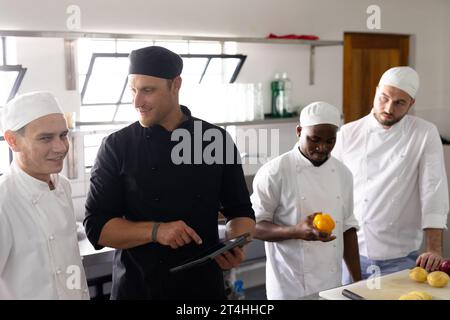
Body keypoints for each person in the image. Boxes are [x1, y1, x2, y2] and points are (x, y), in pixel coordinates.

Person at [83, 46, 255, 300]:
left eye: (147, 90)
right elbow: (97, 227)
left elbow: (240, 212)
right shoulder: (117, 146)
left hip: (202, 290)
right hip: (138, 289)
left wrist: (236, 242)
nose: (136, 102)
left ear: (176, 84)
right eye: (133, 90)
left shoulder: (215, 140)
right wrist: (156, 231)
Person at [333, 67, 449, 281]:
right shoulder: (348, 133)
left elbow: (433, 189)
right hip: (351, 254)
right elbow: (333, 191)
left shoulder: (424, 133)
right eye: (383, 98)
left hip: (402, 256)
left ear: (411, 104)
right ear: (376, 91)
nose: (388, 108)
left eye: (399, 103)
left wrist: (434, 248)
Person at [251, 101, 361, 299]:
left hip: (331, 284)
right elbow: (253, 225)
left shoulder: (343, 174)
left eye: (330, 141)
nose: (322, 147)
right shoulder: (275, 171)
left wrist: (358, 282)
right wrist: (295, 232)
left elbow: (348, 228)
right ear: (299, 131)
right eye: (315, 139)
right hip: (289, 285)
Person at [0, 91, 89, 299]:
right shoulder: (4, 199)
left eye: (63, 135)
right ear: (12, 141)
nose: (60, 147)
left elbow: (69, 263)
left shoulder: (62, 186)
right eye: (45, 138)